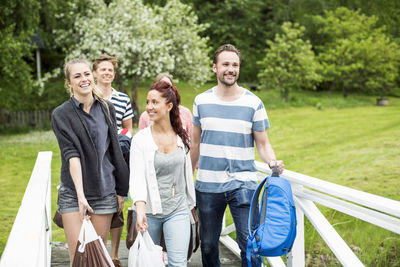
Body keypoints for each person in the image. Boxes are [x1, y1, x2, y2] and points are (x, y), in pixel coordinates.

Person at [190, 44, 285, 267]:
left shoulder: (254, 103)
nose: (231, 69)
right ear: (215, 68)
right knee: (209, 245)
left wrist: (272, 161)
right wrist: (187, 180)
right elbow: (195, 144)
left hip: (243, 184)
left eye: (235, 65)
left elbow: (263, 143)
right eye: (225, 64)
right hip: (208, 185)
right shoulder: (201, 101)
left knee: (250, 244)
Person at [51, 58, 129, 263]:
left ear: (92, 76)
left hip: (104, 191)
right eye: (77, 76)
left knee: (97, 258)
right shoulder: (61, 114)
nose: (84, 79)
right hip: (73, 193)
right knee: (79, 256)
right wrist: (80, 195)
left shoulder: (106, 108)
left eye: (86, 74)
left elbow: (114, 150)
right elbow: (71, 155)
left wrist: (121, 190)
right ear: (69, 83)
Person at [130, 81, 196, 267]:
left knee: (178, 263)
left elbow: (185, 175)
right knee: (148, 263)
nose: (149, 107)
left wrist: (191, 204)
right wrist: (140, 209)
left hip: (178, 209)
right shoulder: (140, 140)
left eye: (155, 102)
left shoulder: (182, 137)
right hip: (148, 212)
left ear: (169, 106)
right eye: (148, 102)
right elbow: (136, 177)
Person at [93, 53, 133, 267]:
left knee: (117, 205)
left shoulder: (122, 98)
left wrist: (120, 137)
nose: (107, 73)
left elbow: (128, 128)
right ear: (95, 73)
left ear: (114, 73)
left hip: (118, 157)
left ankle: (115, 254)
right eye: (103, 70)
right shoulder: (89, 95)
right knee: (98, 205)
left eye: (110, 70)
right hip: (95, 158)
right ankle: (99, 251)